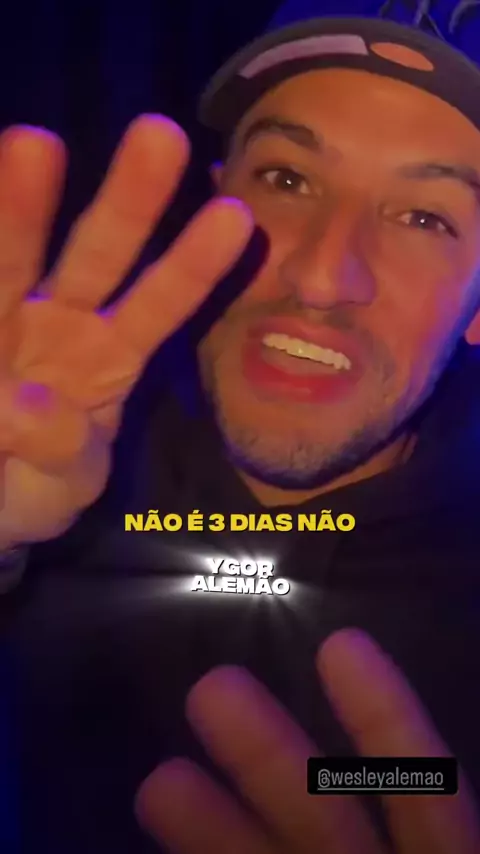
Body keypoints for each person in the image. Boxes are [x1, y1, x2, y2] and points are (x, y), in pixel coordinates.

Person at [2, 6, 480, 853]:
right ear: (214, 201)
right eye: (287, 179)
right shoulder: (45, 453)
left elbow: (437, 777)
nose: (322, 277)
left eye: (424, 218)